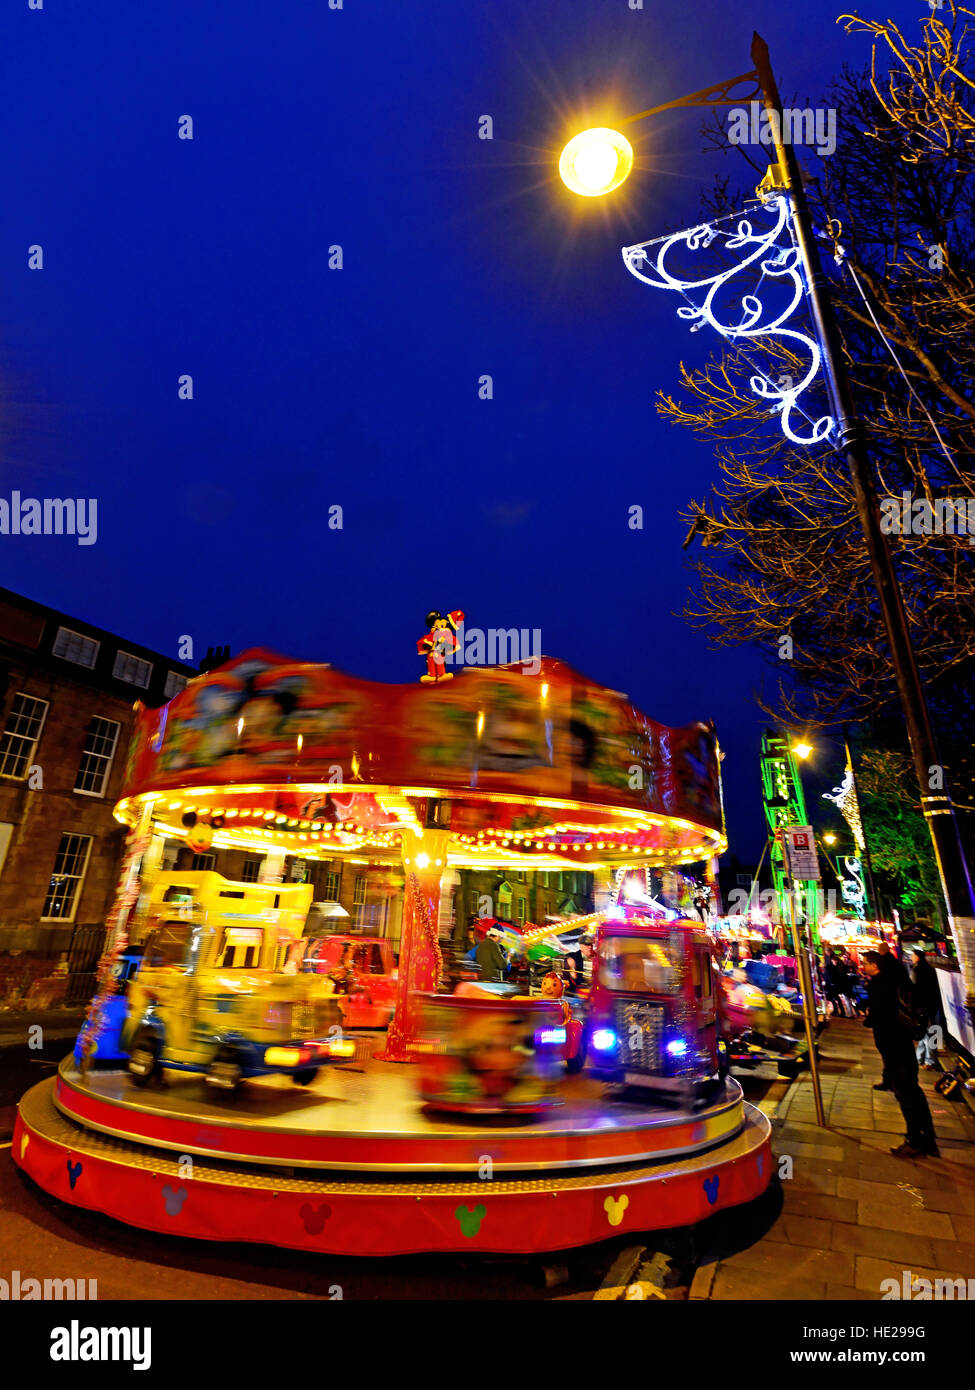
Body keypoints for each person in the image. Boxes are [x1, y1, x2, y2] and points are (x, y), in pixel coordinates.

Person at [862, 950, 938, 1157]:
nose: (863, 966)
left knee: (905, 1092)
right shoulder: (895, 980)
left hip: (892, 1043)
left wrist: (868, 1017)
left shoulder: (880, 985)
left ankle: (915, 1139)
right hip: (901, 1042)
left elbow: (879, 1015)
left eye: (865, 963)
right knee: (912, 1090)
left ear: (875, 965)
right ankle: (928, 1137)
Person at [910, 949, 942, 1070]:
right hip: (931, 1004)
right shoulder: (930, 969)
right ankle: (921, 1058)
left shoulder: (916, 970)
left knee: (926, 1032)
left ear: (917, 957)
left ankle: (930, 1061)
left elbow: (914, 988)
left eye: (913, 955)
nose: (911, 957)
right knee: (928, 1031)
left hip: (922, 1005)